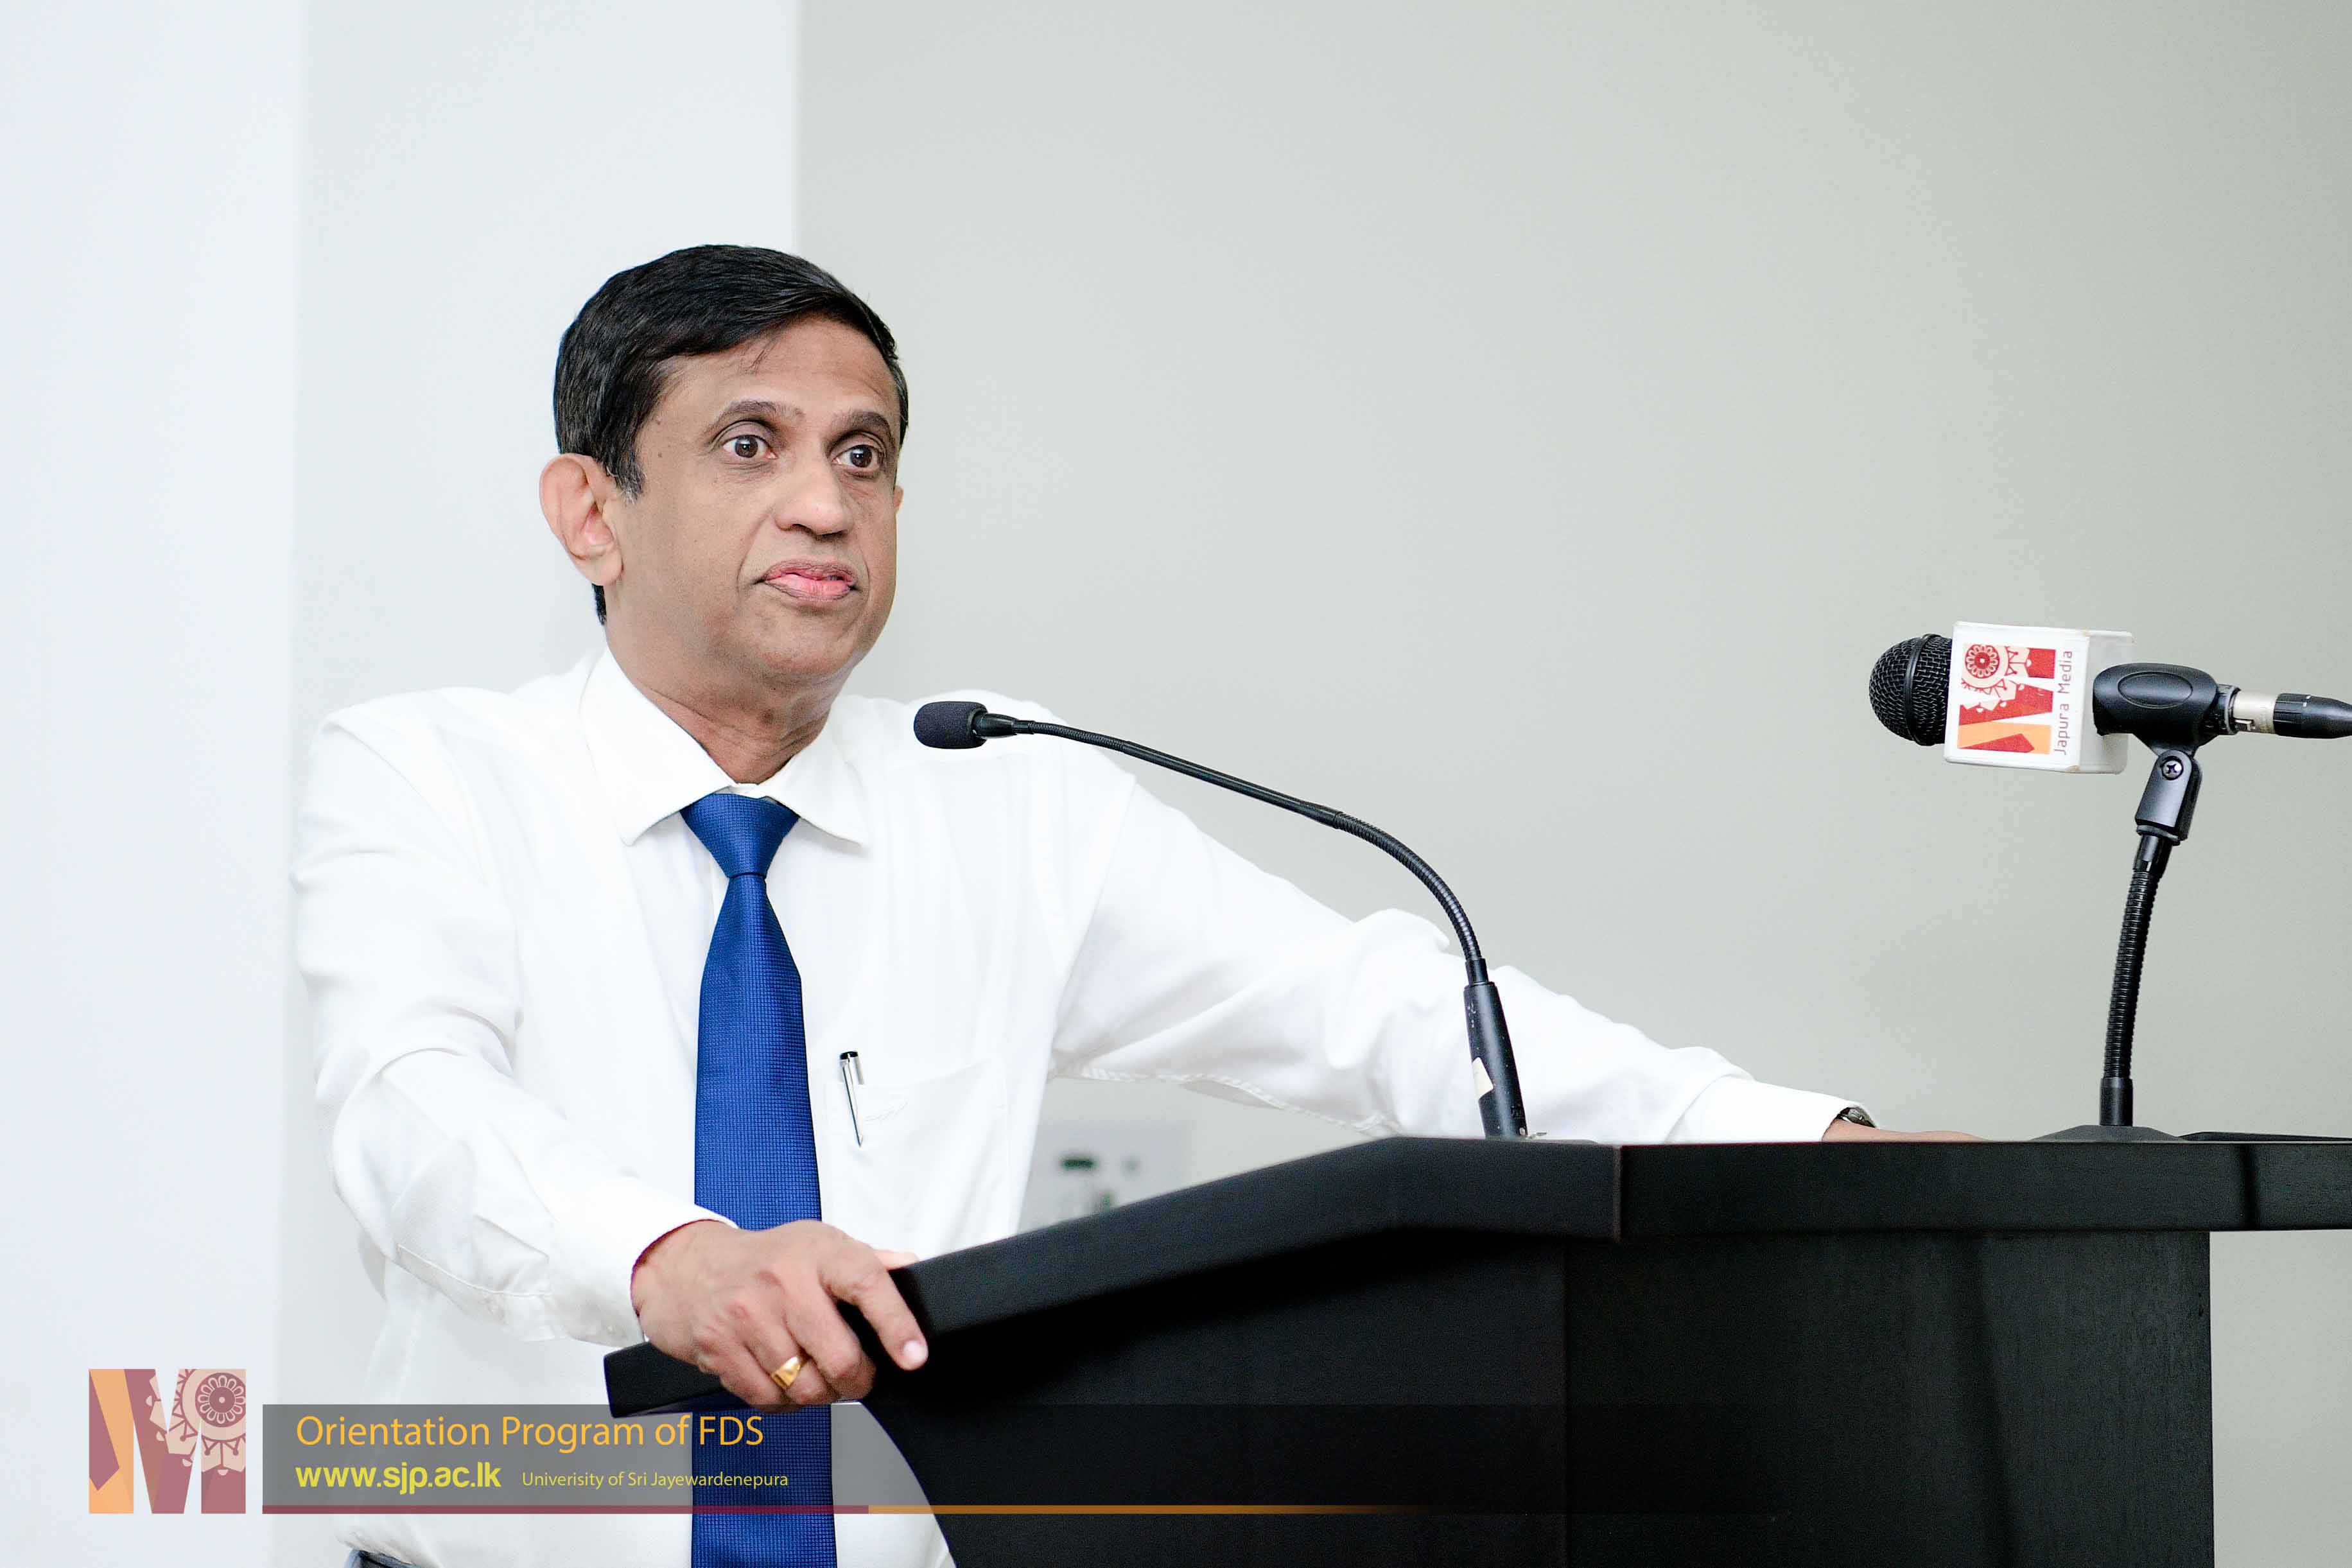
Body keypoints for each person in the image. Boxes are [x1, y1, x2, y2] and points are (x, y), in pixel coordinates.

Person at [293, 244, 1958, 1568]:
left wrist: (1797, 1142)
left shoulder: (1007, 800)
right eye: (752, 444)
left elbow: (1379, 1011)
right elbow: (409, 1107)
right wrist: (666, 1256)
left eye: (866, 454)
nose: (826, 502)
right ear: (591, 510)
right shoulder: (429, 775)